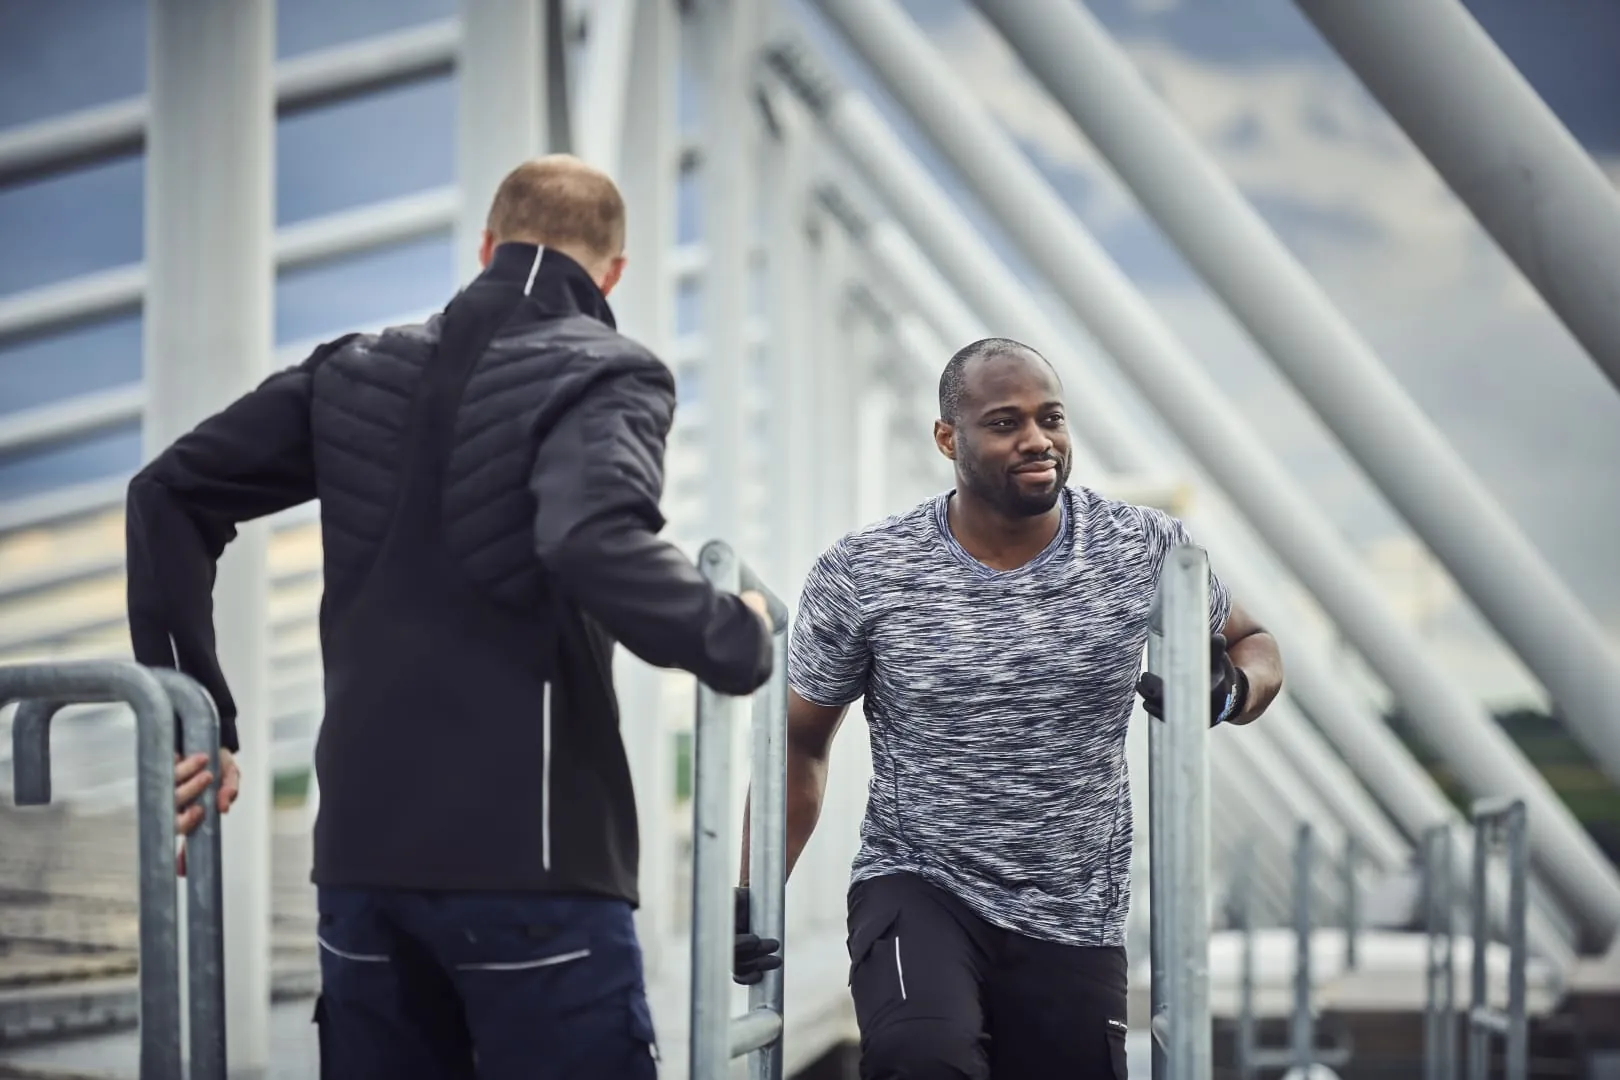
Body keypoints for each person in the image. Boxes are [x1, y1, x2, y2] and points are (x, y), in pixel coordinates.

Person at [126, 154, 782, 1078]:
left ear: (484, 244)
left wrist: (197, 715)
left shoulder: (349, 367)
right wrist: (737, 633)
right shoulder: (610, 371)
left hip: (360, 865)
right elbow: (590, 535)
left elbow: (167, 493)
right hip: (536, 872)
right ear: (614, 272)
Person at [755, 337, 1283, 1078]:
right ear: (948, 438)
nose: (1038, 440)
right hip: (919, 882)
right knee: (920, 1058)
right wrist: (749, 893)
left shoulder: (1140, 548)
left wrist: (1229, 692)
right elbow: (798, 742)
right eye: (1005, 423)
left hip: (1074, 909)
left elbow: (1256, 644)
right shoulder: (867, 571)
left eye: (1052, 419)